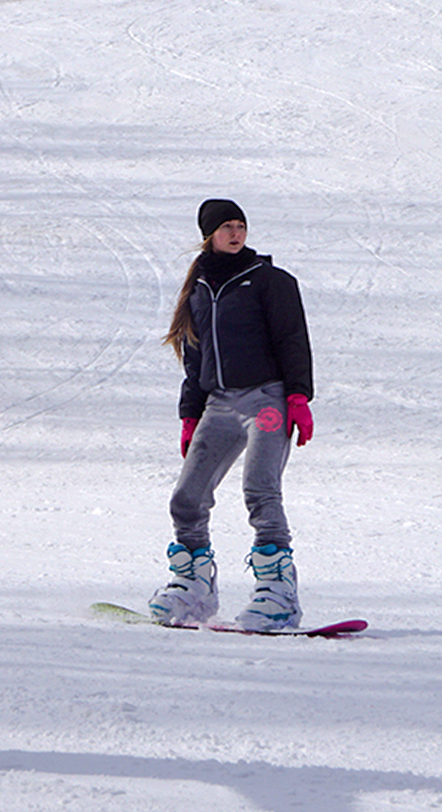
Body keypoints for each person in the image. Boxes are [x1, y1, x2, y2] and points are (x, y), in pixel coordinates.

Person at [150, 199, 314, 631]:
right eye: (227, 227)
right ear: (210, 235)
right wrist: (191, 415)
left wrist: (298, 397)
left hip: (266, 402)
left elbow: (293, 339)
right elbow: (194, 359)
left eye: (241, 225)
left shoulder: (270, 281)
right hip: (219, 405)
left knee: (261, 490)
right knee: (186, 498)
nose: (236, 233)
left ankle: (278, 594)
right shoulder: (199, 289)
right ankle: (193, 588)